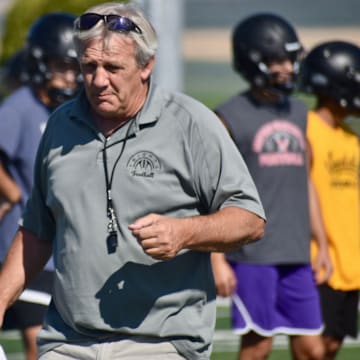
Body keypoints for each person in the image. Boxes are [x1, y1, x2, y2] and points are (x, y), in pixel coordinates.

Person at [0, 2, 266, 360]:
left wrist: (184, 232)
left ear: (146, 66)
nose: (98, 80)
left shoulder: (192, 123)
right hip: (68, 341)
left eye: (112, 68)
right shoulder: (59, 125)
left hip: (162, 343)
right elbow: (36, 230)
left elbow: (249, 219)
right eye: (89, 66)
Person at [211, 13, 333, 360]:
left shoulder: (298, 111)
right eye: (277, 60)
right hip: (254, 255)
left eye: (290, 59)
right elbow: (210, 190)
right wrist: (217, 260)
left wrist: (320, 243)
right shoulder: (228, 116)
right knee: (257, 346)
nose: (288, 68)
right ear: (253, 61)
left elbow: (305, 180)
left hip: (296, 254)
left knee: (312, 348)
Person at [0, 12, 81, 360]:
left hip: (63, 247)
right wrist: (13, 193)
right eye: (61, 66)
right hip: (24, 243)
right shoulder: (19, 107)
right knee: (40, 341)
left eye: (74, 67)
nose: (70, 76)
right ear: (39, 63)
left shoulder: (75, 111)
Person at [300, 40, 360, 360]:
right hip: (318, 260)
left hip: (351, 262)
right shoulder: (305, 129)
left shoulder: (351, 137)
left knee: (332, 345)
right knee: (312, 349)